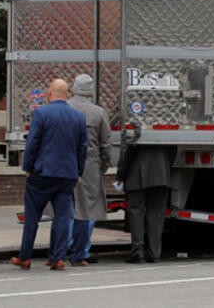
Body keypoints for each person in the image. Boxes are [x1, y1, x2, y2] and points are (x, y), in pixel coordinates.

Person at [10, 79, 87, 271]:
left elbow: (33, 142)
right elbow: (82, 148)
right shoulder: (78, 117)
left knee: (32, 216)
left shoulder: (41, 113)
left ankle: (25, 257)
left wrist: (27, 167)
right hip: (67, 175)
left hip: (42, 174)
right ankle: (57, 258)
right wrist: (78, 171)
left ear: (49, 93)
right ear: (67, 93)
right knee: (62, 217)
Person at [67, 74, 112, 266]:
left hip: (65, 164)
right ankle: (82, 249)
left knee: (66, 208)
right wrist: (104, 165)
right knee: (88, 208)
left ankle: (65, 245)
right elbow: (106, 144)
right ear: (91, 91)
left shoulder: (64, 108)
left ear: (73, 89)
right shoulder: (98, 113)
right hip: (90, 165)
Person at [115, 125, 171, 263]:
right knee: (156, 214)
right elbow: (172, 152)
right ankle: (154, 253)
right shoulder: (166, 129)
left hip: (137, 176)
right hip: (161, 175)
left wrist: (120, 176)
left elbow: (126, 155)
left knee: (136, 212)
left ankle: (138, 252)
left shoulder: (135, 129)